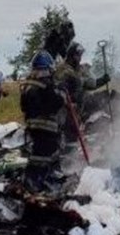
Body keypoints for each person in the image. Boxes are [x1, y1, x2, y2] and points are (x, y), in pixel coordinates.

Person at [20, 50, 65, 193]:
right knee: (43, 155)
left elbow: (23, 106)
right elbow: (55, 103)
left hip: (32, 126)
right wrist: (62, 94)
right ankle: (35, 181)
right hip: (47, 127)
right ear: (48, 68)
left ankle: (38, 179)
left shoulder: (28, 84)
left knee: (39, 153)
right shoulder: (46, 84)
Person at [55, 42, 110, 144]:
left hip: (76, 111)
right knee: (68, 136)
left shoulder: (78, 69)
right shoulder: (63, 70)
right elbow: (67, 85)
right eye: (78, 55)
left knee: (74, 135)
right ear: (72, 55)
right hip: (65, 111)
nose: (80, 58)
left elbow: (90, 84)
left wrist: (102, 80)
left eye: (80, 55)